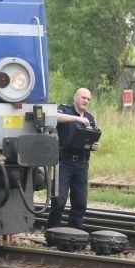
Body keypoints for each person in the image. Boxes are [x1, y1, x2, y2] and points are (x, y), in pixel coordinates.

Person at [46, 88, 100, 229]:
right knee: (59, 201)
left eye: (88, 99)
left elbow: (90, 137)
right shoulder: (64, 110)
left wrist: (94, 145)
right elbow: (53, 117)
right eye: (83, 97)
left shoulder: (90, 118)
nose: (86, 101)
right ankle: (52, 233)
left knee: (80, 202)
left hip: (81, 163)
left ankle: (75, 235)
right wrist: (77, 118)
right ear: (75, 97)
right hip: (64, 162)